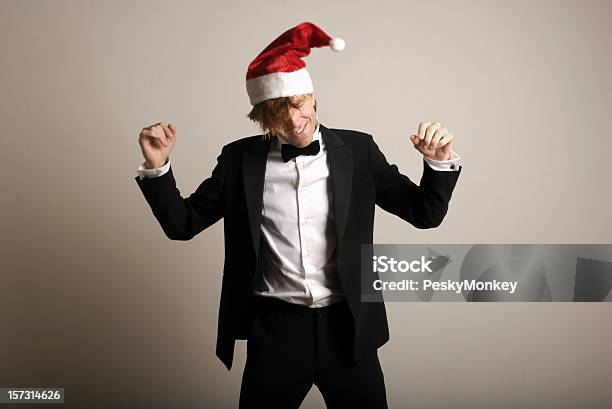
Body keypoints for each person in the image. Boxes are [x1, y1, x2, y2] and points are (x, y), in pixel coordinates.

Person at [135, 22, 462, 409]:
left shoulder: (358, 151)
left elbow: (424, 214)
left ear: (312, 97)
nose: (292, 120)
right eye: (277, 113)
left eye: (297, 104)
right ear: (262, 118)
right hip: (275, 330)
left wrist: (438, 164)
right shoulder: (240, 160)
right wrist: (158, 168)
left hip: (347, 328)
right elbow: (183, 224)